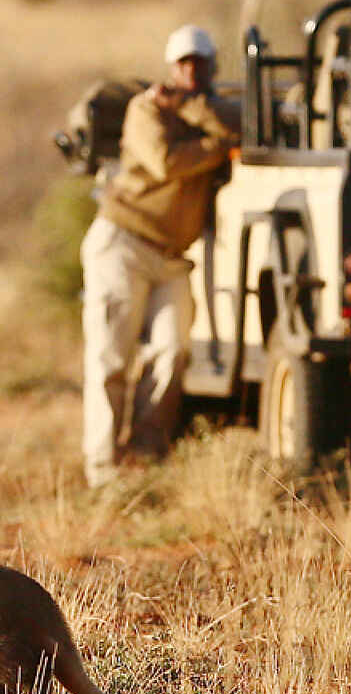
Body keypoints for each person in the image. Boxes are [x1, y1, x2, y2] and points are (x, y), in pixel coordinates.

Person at [81, 25, 239, 488]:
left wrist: (198, 113)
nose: (191, 71)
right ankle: (104, 469)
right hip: (124, 242)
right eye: (184, 63)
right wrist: (219, 148)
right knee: (111, 358)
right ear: (172, 66)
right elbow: (166, 162)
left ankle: (146, 455)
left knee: (173, 352)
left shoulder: (207, 109)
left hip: (172, 255)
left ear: (212, 67)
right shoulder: (146, 107)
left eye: (200, 63)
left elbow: (243, 126)